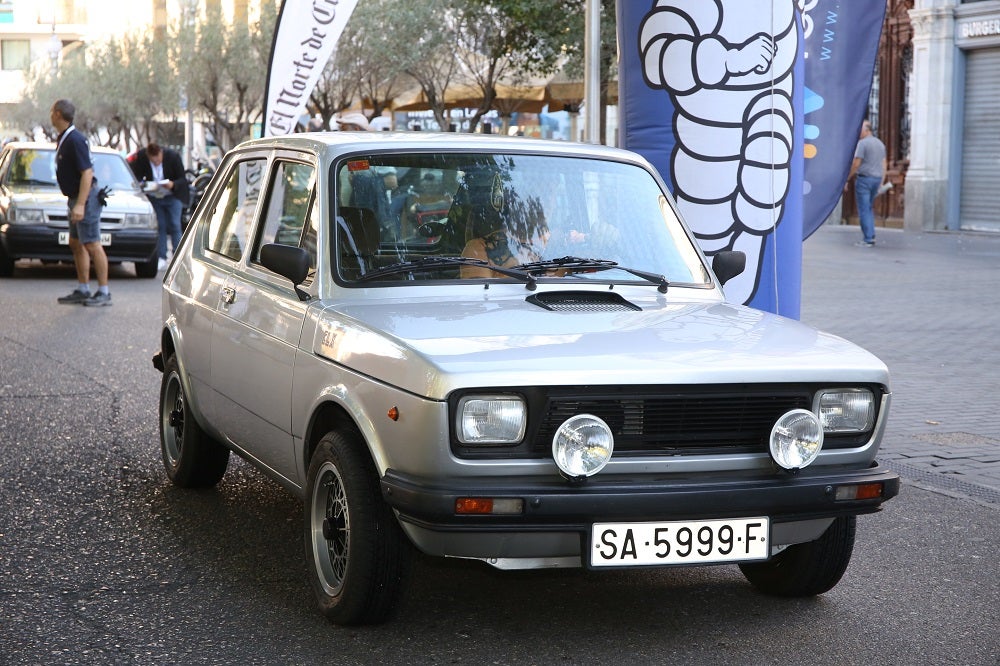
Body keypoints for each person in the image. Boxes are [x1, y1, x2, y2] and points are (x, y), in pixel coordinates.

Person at [51, 99, 112, 306]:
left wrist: (80, 204)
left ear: (58, 114)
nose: (50, 115)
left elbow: (87, 173)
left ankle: (104, 292)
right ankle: (83, 288)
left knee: (92, 243)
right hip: (75, 197)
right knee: (76, 243)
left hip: (84, 198)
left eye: (52, 111)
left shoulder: (75, 140)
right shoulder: (65, 138)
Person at [129, 142, 190, 270]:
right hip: (155, 197)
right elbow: (135, 176)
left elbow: (182, 179)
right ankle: (161, 257)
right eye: (153, 160)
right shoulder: (141, 157)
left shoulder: (173, 156)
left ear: (161, 153)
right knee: (160, 226)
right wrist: (143, 184)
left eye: (157, 159)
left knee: (175, 225)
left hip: (173, 196)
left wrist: (172, 184)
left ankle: (178, 257)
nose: (156, 162)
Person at [848, 120, 887, 247]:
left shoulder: (862, 144)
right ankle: (871, 234)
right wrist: (882, 180)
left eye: (860, 129)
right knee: (869, 208)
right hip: (876, 179)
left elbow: (856, 163)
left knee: (864, 209)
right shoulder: (880, 144)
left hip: (864, 179)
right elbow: (884, 164)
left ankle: (868, 238)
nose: (858, 132)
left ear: (867, 130)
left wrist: (848, 177)